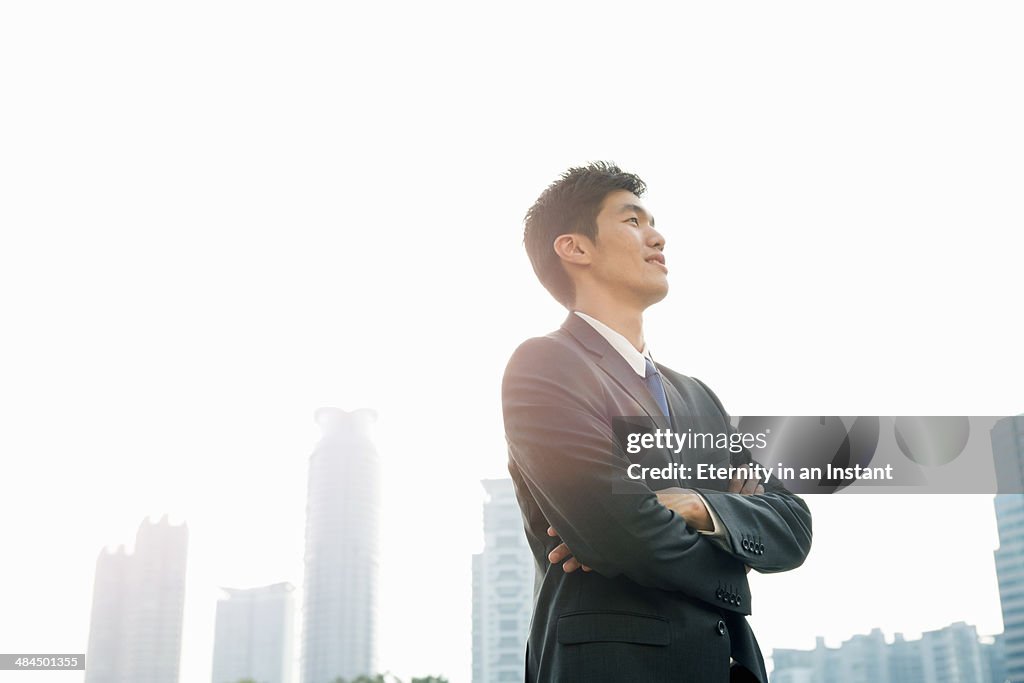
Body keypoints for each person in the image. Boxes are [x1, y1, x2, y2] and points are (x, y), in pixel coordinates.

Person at [501, 162, 813, 682]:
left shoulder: (699, 397)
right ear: (575, 247)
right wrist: (735, 543)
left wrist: (697, 505)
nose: (657, 235)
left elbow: (794, 525)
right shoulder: (545, 366)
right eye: (632, 221)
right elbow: (622, 535)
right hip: (614, 666)